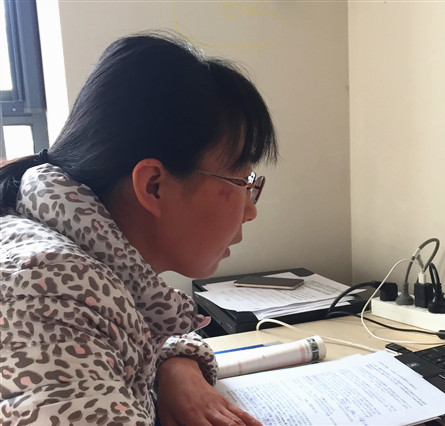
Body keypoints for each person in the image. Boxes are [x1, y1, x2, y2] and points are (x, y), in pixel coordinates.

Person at [0, 31, 277, 425]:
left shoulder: (88, 254)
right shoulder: (47, 289)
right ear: (153, 186)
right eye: (242, 182)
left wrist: (176, 365)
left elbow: (144, 320)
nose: (250, 211)